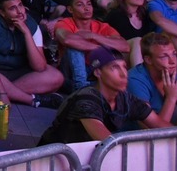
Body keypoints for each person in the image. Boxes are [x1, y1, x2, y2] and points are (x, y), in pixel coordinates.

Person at [38, 47, 167, 143]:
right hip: (52, 161)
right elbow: (107, 141)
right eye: (114, 68)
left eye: (124, 67)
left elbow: (160, 125)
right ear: (98, 73)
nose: (124, 74)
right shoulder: (86, 100)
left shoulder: (125, 98)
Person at [126, 32, 177, 126]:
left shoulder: (171, 74)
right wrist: (171, 98)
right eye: (164, 56)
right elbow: (156, 131)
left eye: (174, 54)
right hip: (137, 133)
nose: (172, 61)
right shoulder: (135, 81)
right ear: (148, 60)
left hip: (163, 130)